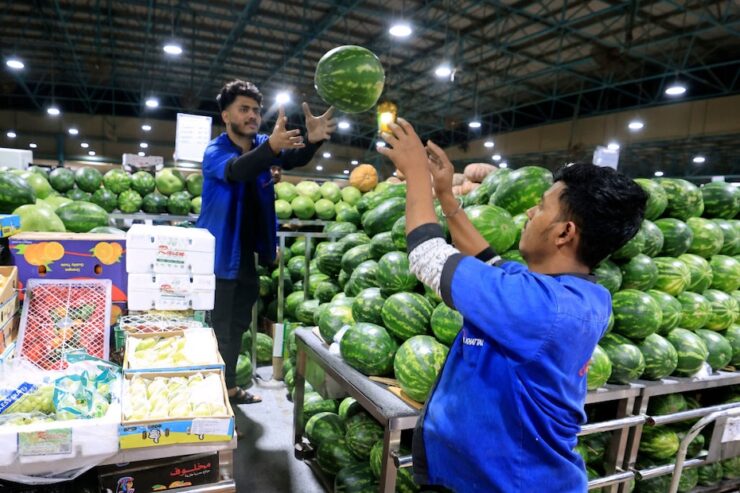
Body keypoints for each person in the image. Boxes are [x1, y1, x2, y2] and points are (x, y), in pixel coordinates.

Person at [377, 118, 647, 492]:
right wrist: (447, 197)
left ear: (565, 232)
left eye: (541, 208)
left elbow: (427, 256)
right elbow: (491, 263)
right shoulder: (571, 294)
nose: (529, 215)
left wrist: (416, 176)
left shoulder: (540, 308)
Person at [197, 80, 336, 404]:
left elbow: (291, 158)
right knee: (220, 332)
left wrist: (312, 143)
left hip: (246, 256)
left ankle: (228, 390)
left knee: (239, 327)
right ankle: (215, 402)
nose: (252, 116)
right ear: (225, 115)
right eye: (243, 109)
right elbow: (238, 170)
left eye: (256, 110)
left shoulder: (262, 143)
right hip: (218, 258)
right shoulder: (216, 151)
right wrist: (270, 149)